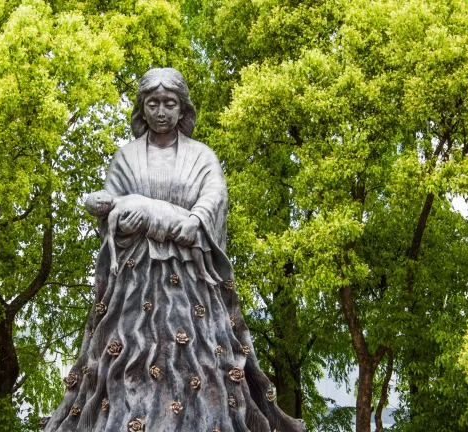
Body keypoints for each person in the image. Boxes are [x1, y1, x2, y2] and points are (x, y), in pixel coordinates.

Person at [45, 68, 305, 432]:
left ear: (183, 109)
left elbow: (215, 197)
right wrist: (119, 223)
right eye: (153, 103)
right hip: (134, 284)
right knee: (126, 364)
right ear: (142, 107)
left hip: (191, 282)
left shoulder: (201, 156)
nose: (162, 111)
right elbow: (110, 215)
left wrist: (194, 219)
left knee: (203, 365)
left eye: (170, 103)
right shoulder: (125, 157)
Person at [84, 189, 223, 285]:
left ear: (103, 192)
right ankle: (202, 271)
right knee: (193, 236)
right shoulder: (114, 214)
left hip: (164, 209)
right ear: (101, 214)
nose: (102, 202)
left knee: (198, 229)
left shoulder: (124, 196)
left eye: (98, 198)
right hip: (157, 224)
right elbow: (110, 236)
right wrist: (114, 260)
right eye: (98, 206)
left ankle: (210, 269)